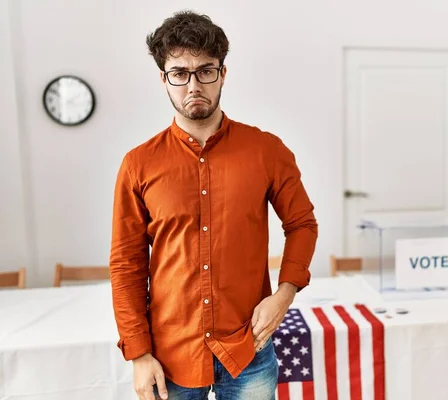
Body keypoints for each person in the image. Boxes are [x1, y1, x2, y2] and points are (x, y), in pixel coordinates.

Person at [109, 10, 318, 400]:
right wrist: (138, 353)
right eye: (180, 73)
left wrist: (284, 294)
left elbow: (302, 223)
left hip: (248, 349)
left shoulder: (267, 151)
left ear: (223, 74)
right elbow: (126, 264)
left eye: (206, 71)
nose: (193, 85)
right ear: (164, 79)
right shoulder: (138, 164)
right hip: (169, 354)